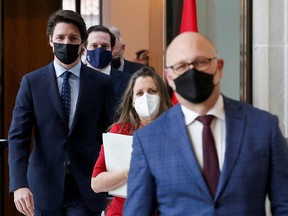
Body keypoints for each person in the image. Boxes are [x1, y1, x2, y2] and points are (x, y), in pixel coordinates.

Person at [123, 32, 288, 215]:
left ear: (219, 67)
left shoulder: (264, 127)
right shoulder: (148, 139)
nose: (192, 72)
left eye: (201, 62)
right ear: (170, 78)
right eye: (181, 66)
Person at [8, 10, 116, 216]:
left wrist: (111, 184)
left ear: (82, 42)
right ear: (50, 40)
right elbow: (18, 137)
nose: (66, 43)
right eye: (60, 37)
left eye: (73, 38)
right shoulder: (32, 82)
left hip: (87, 186)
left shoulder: (102, 83)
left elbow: (109, 135)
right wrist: (19, 184)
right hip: (43, 187)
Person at [91, 66, 172, 216]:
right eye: (140, 93)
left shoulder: (176, 130)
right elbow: (96, 184)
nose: (146, 97)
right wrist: (129, 171)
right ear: (132, 101)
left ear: (162, 96)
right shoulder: (119, 131)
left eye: (152, 91)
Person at [83, 25, 131, 105]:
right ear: (85, 50)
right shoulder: (75, 80)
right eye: (94, 46)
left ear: (112, 50)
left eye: (104, 46)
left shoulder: (128, 81)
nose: (99, 50)